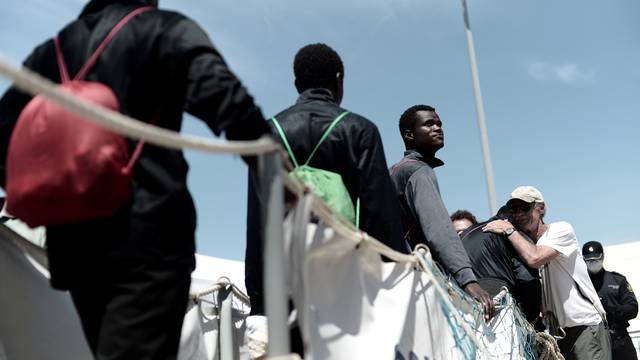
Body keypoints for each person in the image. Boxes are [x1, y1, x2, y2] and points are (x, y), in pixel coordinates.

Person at [0, 1, 270, 358]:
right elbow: (223, 96)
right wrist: (270, 161)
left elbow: (5, 133)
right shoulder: (162, 29)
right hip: (147, 234)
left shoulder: (50, 52)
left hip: (73, 245)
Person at [245, 43, 406, 315]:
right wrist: (392, 279)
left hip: (286, 278)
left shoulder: (268, 134)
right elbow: (380, 216)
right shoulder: (360, 130)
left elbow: (258, 220)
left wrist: (259, 300)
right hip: (346, 277)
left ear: (297, 84)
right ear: (339, 79)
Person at [389, 104, 494, 319]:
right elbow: (439, 230)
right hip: (415, 282)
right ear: (409, 135)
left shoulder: (397, 170)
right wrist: (468, 281)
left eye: (439, 124)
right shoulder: (418, 171)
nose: (438, 128)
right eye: (429, 124)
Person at [483, 186, 611, 360]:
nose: (519, 213)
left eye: (525, 207)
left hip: (585, 327)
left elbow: (535, 258)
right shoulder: (524, 244)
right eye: (514, 208)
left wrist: (508, 230)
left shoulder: (561, 230)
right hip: (559, 333)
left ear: (541, 208)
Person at [459, 206, 541, 321]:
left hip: (461, 297)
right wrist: (533, 316)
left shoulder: (467, 232)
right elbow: (527, 279)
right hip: (495, 298)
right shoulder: (513, 234)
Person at [583, 241, 638, 360]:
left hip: (619, 339)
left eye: (596, 259)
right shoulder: (580, 285)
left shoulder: (617, 280)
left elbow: (633, 308)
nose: (592, 262)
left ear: (602, 257)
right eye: (589, 260)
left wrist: (613, 310)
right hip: (593, 343)